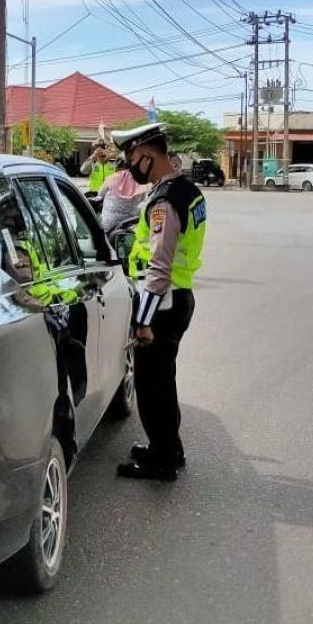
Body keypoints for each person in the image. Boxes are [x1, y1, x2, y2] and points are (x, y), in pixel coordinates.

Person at [110, 122, 207, 481]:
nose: (129, 166)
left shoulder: (164, 202)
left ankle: (162, 460)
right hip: (180, 297)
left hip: (163, 304)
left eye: (132, 158)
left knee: (153, 386)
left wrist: (143, 321)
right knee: (163, 380)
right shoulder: (188, 190)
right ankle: (167, 448)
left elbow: (159, 268)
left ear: (148, 156)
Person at [97, 157, 146, 233]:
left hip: (108, 226)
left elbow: (100, 193)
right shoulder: (140, 181)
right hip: (130, 225)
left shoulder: (113, 178)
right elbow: (143, 201)